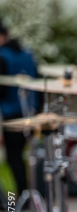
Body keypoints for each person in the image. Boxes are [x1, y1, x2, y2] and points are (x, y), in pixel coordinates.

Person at [0, 20, 39, 194]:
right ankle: (27, 195)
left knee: (14, 157)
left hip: (11, 114)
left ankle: (19, 197)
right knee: (25, 157)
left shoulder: (2, 56)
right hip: (31, 112)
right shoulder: (27, 53)